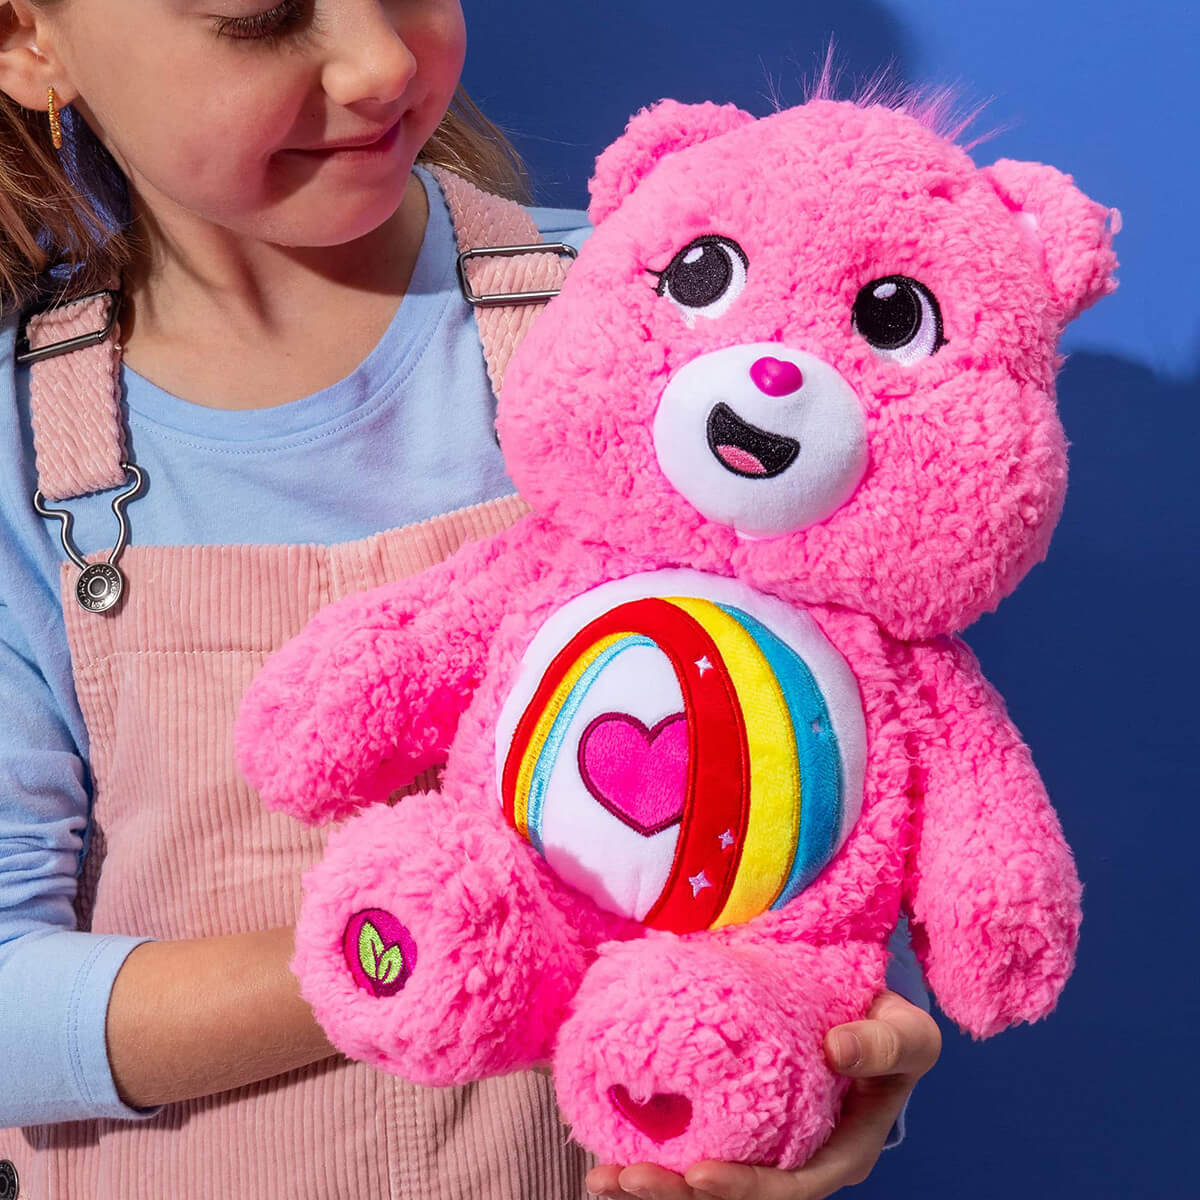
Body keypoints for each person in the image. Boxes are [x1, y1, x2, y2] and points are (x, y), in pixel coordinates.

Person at [0, 2, 940, 1197]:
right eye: (260, 13)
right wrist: (425, 944)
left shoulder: (668, 323)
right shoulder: (20, 458)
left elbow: (832, 780)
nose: (381, 59)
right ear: (27, 38)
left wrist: (822, 1069)